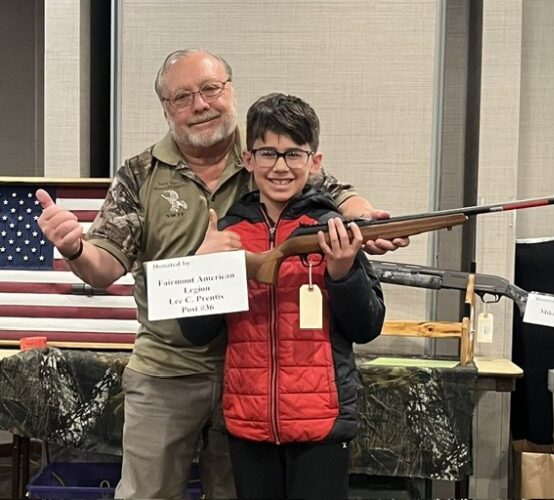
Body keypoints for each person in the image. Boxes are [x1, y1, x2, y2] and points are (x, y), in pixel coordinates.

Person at [35, 48, 405, 499]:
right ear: (166, 109)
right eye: (182, 97)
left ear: (230, 91)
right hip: (168, 368)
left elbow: (335, 193)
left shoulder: (266, 154)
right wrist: (73, 246)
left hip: (248, 376)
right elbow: (103, 267)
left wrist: (365, 220)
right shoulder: (139, 173)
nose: (200, 104)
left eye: (210, 89)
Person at [180, 92, 385, 499]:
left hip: (322, 422)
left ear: (315, 161)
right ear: (248, 159)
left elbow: (367, 326)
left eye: (294, 154)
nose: (280, 166)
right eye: (268, 153)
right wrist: (205, 266)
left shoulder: (332, 227)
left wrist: (342, 273)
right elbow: (196, 332)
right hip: (248, 421)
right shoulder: (228, 231)